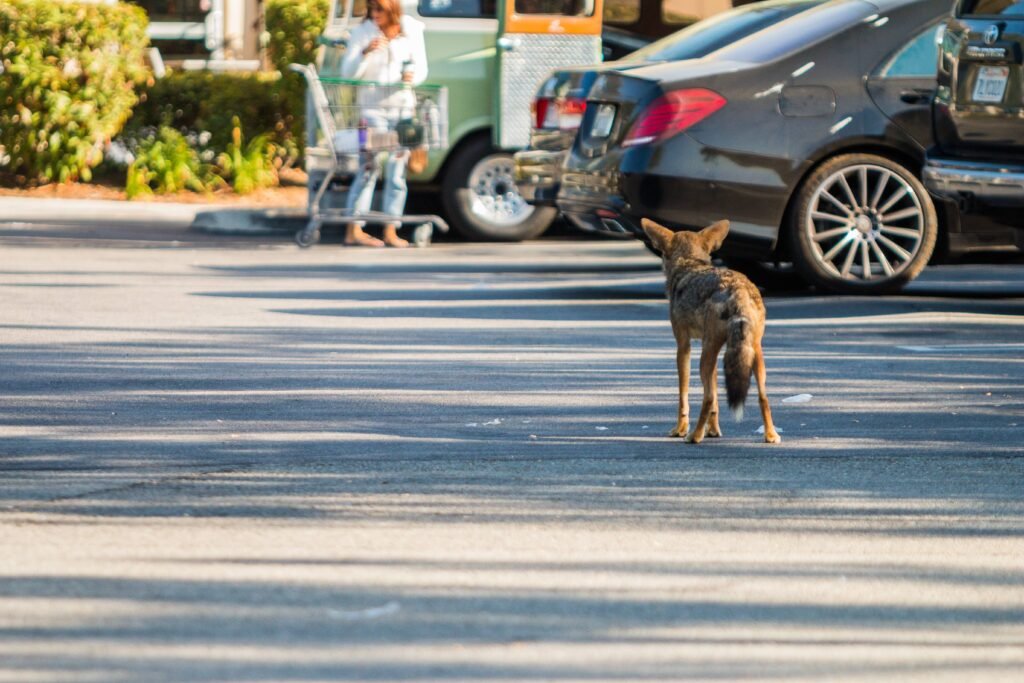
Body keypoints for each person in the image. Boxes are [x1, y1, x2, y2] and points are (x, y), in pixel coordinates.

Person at [339, 0, 428, 247]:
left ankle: (391, 229)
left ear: (392, 9)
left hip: (402, 110)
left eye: (379, 9)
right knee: (369, 166)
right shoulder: (363, 32)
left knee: (397, 171)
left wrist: (412, 77)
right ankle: (354, 228)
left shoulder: (410, 29)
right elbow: (347, 73)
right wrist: (365, 53)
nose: (374, 14)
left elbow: (421, 69)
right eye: (371, 9)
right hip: (371, 112)